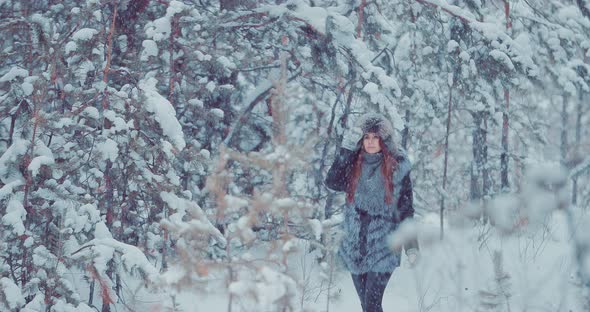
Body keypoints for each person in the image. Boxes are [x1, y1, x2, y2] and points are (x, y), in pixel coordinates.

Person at [325, 112, 419, 312]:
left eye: (375, 137)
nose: (370, 142)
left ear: (383, 140)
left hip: (386, 244)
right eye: (366, 137)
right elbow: (332, 182)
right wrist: (347, 149)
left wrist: (411, 246)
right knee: (366, 306)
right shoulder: (353, 164)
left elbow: (406, 209)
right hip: (356, 245)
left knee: (371, 304)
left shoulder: (397, 167)